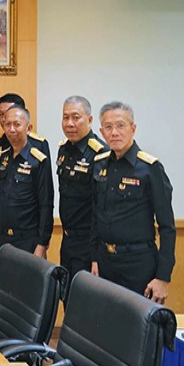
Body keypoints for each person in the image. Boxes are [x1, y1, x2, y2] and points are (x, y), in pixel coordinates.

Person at [92, 101, 175, 304]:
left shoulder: (150, 168)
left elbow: (167, 227)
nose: (114, 132)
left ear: (133, 128)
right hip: (105, 263)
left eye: (120, 125)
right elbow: (95, 216)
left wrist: (163, 277)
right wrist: (94, 258)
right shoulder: (99, 164)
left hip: (138, 265)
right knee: (106, 319)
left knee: (139, 322)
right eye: (108, 127)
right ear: (102, 132)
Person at [0, 105, 53, 260]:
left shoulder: (38, 161)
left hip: (28, 240)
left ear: (28, 128)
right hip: (4, 239)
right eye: (7, 124)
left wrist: (42, 244)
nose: (11, 129)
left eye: (17, 124)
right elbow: (1, 199)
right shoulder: (4, 158)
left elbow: (46, 204)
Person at [57, 95, 107, 285]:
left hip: (89, 243)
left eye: (76, 117)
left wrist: (95, 255)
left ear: (90, 119)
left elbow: (101, 207)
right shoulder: (64, 150)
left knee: (84, 296)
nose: (69, 123)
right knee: (66, 293)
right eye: (65, 117)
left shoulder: (100, 153)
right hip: (67, 240)